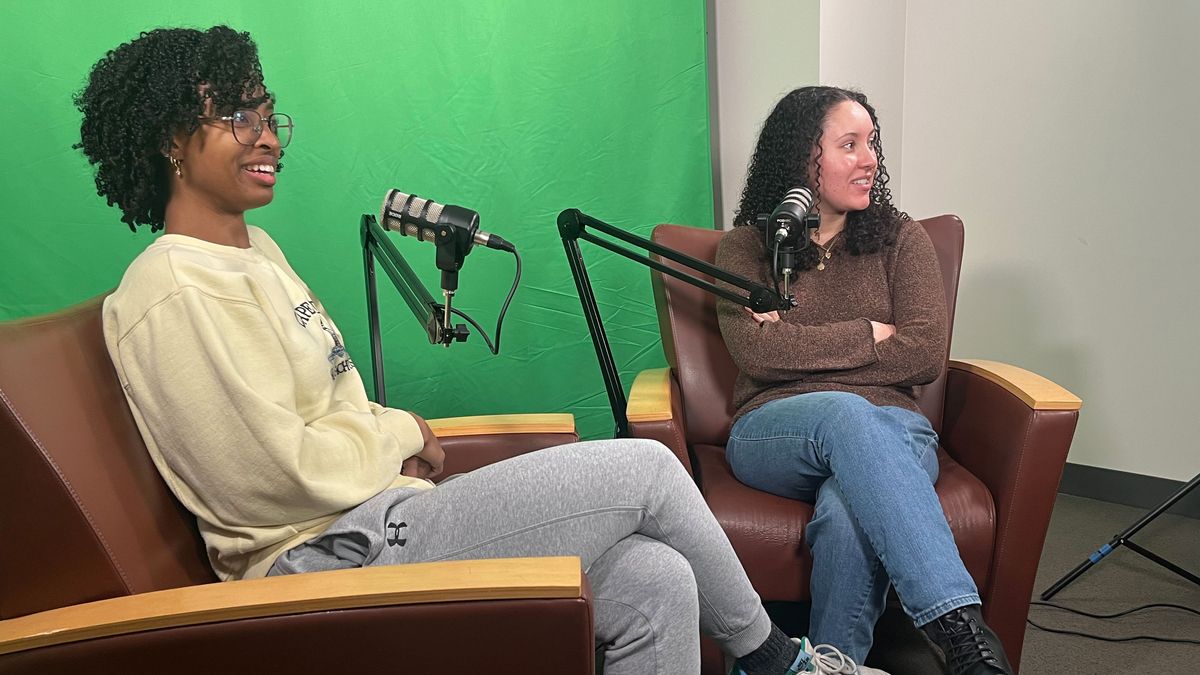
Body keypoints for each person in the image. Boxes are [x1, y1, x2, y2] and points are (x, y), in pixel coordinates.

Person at [75, 26, 883, 675]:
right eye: (238, 117)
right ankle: (781, 660)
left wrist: (394, 435)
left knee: (656, 580)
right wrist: (401, 433)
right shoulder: (172, 287)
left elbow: (331, 410)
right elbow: (274, 475)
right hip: (327, 562)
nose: (267, 137)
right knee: (644, 467)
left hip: (385, 517)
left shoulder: (257, 253)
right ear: (170, 138)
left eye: (267, 114)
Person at [714, 85, 1014, 675]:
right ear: (804, 156)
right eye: (848, 145)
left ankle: (833, 664)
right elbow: (757, 355)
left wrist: (799, 342)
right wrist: (867, 334)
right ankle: (958, 629)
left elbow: (924, 353)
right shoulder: (747, 249)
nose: (869, 158)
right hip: (774, 432)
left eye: (870, 143)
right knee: (847, 412)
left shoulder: (902, 240)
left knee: (850, 509)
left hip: (895, 433)